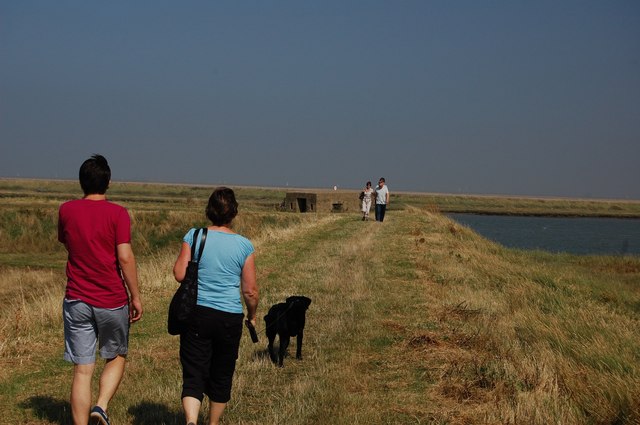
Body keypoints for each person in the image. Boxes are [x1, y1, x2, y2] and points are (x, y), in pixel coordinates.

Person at [58, 154, 143, 425]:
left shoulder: (66, 210)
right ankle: (101, 406)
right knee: (116, 355)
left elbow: (66, 241)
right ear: (108, 182)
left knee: (82, 370)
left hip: (76, 299)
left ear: (81, 182)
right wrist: (136, 296)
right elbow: (125, 257)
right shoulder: (118, 213)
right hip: (111, 299)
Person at [173, 187, 259, 425]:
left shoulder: (194, 235)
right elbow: (250, 291)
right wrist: (252, 316)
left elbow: (179, 274)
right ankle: (212, 423)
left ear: (209, 210)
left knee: (194, 372)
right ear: (234, 213)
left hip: (197, 314)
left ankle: (191, 421)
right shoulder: (244, 246)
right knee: (221, 374)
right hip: (229, 317)